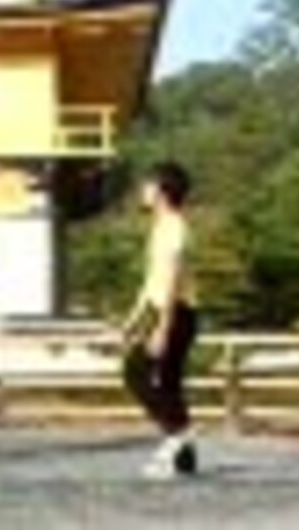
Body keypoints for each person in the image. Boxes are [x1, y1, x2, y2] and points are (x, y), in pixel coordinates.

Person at [120, 161, 199, 479]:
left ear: (163, 192)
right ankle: (184, 458)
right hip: (160, 310)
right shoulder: (161, 226)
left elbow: (173, 281)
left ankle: (177, 436)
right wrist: (134, 317)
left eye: (149, 185)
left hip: (175, 310)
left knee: (135, 373)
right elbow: (151, 279)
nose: (144, 190)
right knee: (167, 382)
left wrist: (163, 328)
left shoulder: (175, 227)